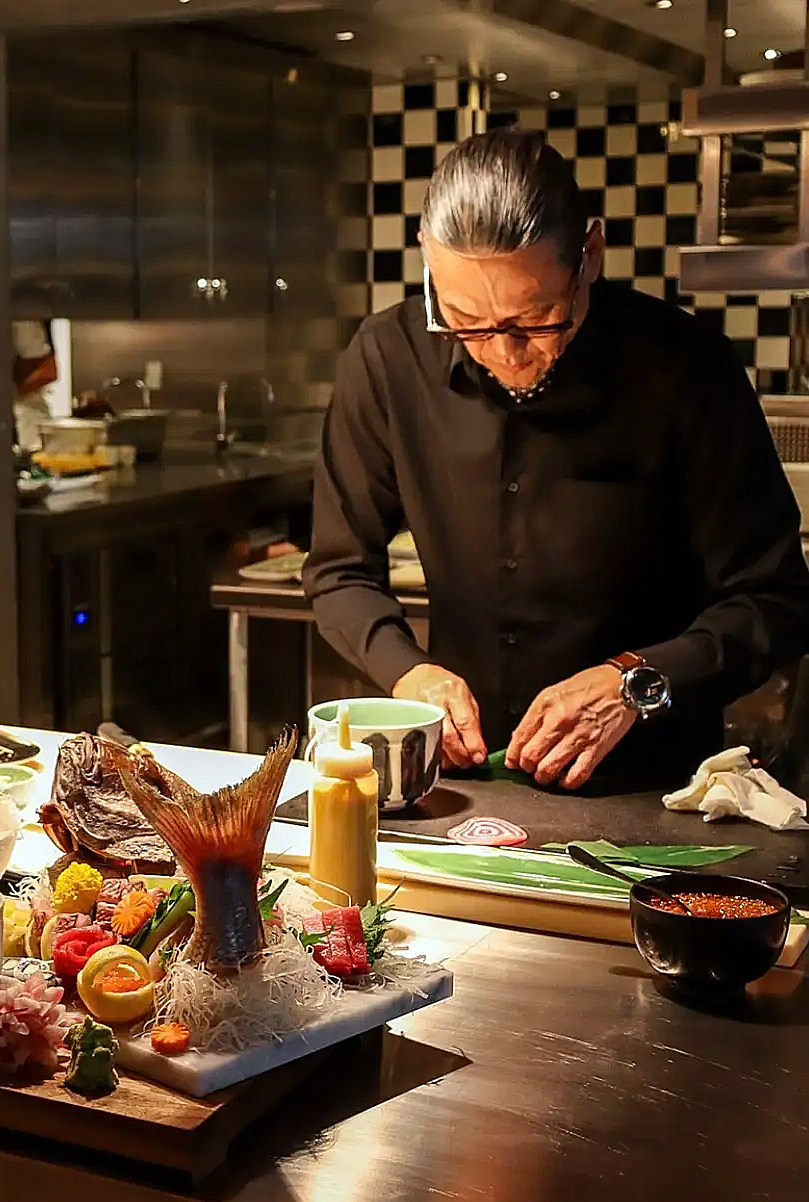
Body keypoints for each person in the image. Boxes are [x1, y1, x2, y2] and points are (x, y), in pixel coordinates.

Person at [303, 128, 809, 791]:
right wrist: (409, 672)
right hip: (463, 786)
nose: (504, 353)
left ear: (590, 255)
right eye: (465, 320)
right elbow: (340, 569)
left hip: (652, 786)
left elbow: (772, 598)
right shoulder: (387, 359)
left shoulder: (685, 369)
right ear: (429, 262)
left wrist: (634, 683)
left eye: (537, 318)